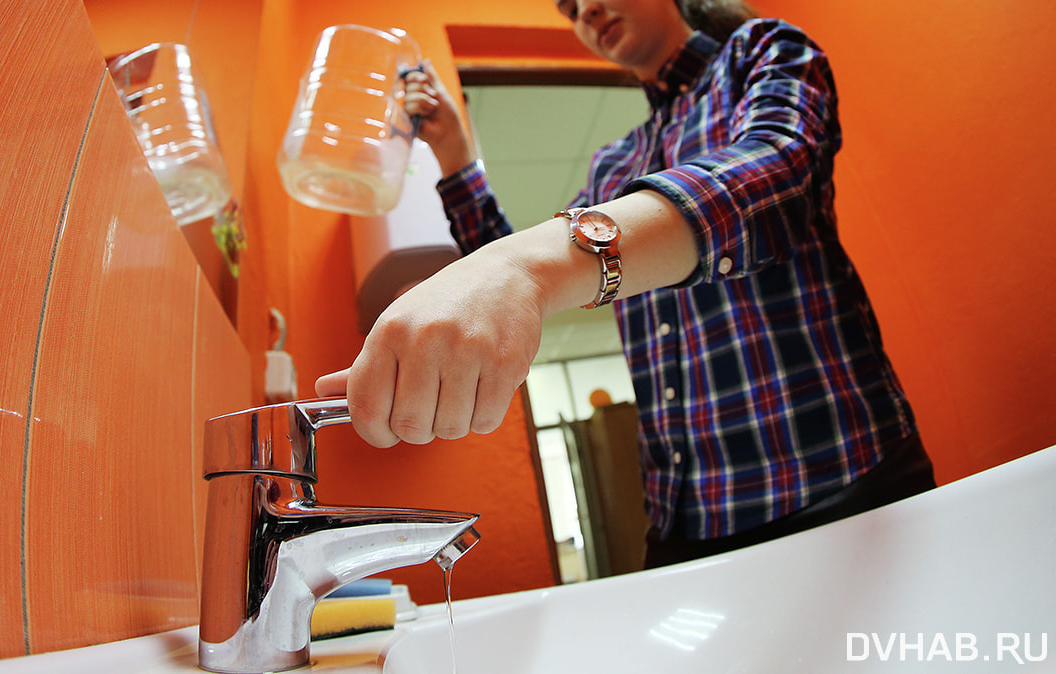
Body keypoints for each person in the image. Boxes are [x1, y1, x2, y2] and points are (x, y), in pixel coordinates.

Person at [316, 0, 936, 568]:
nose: (585, 10)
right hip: (681, 524)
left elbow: (774, 175)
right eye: (569, 8)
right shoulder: (615, 164)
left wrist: (525, 266)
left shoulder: (763, 50)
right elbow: (522, 283)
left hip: (845, 484)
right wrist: (456, 155)